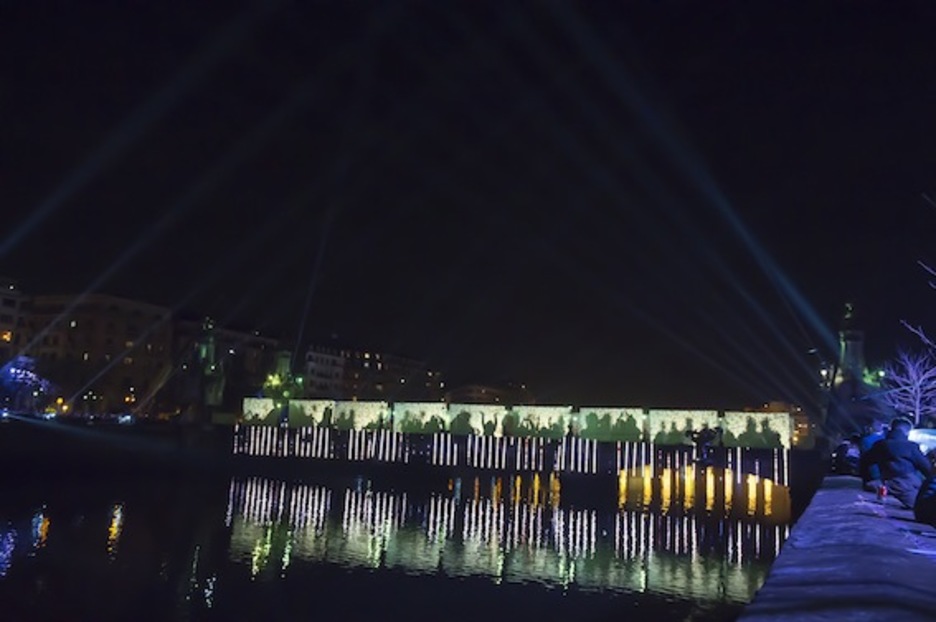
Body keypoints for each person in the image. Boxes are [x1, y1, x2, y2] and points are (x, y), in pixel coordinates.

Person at [861, 416, 934, 508]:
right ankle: (885, 487)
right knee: (923, 506)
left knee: (920, 502)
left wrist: (868, 480)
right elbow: (926, 467)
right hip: (908, 481)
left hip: (890, 479)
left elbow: (864, 461)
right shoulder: (910, 446)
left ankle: (882, 487)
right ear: (907, 432)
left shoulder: (880, 445)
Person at [858, 420, 887, 492]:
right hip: (886, 472)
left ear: (871, 428)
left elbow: (864, 458)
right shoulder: (886, 439)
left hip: (871, 473)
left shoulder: (866, 440)